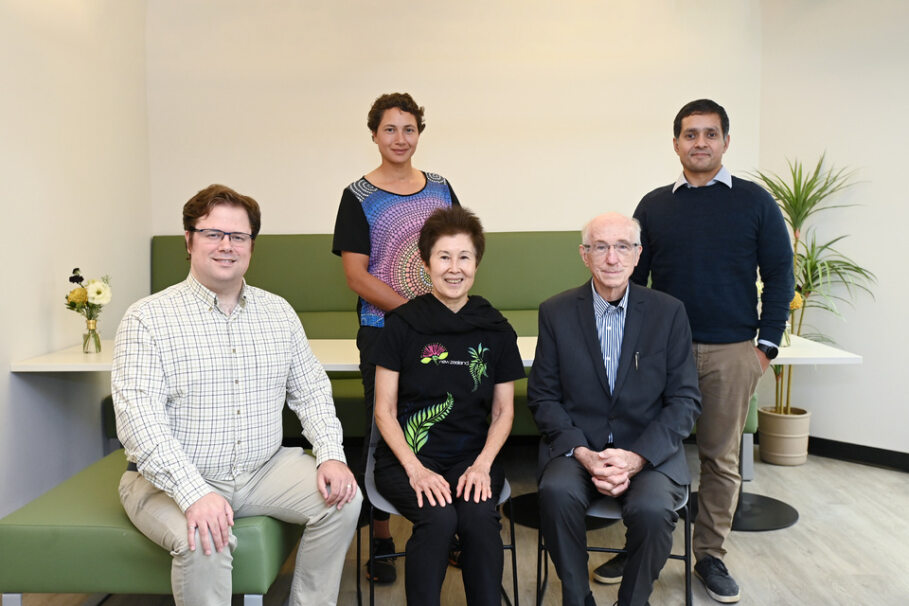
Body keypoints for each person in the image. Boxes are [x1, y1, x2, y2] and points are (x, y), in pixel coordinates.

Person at [113, 184, 361, 606]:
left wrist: (331, 454)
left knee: (344, 499)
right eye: (213, 234)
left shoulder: (278, 312)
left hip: (262, 471)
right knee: (203, 538)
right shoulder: (147, 318)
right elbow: (140, 422)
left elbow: (313, 390)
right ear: (189, 240)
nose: (226, 246)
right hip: (169, 481)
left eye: (238, 236)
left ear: (251, 245)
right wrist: (194, 493)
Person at [608, 99, 794, 603]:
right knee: (643, 448)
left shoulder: (755, 202)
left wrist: (766, 348)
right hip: (662, 354)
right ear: (676, 144)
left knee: (720, 457)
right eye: (690, 135)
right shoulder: (653, 205)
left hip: (733, 351)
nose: (700, 143)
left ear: (725, 142)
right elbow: (632, 279)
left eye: (710, 134)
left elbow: (780, 275)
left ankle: (709, 554)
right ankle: (642, 543)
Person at [528, 212, 701, 606]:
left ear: (637, 255)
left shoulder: (668, 312)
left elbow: (685, 400)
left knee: (655, 511)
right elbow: (543, 396)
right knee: (555, 493)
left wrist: (637, 457)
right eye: (600, 247)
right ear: (583, 255)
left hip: (647, 450)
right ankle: (577, 598)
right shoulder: (555, 312)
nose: (612, 258)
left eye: (622, 246)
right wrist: (585, 454)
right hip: (579, 448)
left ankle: (632, 601)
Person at [332, 92, 459, 583]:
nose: (400, 139)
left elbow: (458, 250)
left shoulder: (442, 188)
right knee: (383, 429)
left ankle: (449, 528)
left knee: (446, 425)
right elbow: (357, 277)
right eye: (390, 129)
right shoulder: (358, 195)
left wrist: (441, 314)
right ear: (374, 135)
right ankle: (381, 536)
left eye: (409, 129)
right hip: (384, 332)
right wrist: (416, 314)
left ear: (419, 134)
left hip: (444, 331)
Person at [372, 206, 524, 606]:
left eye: (464, 257)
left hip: (473, 456)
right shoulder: (401, 324)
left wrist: (483, 465)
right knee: (438, 519)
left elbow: (503, 412)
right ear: (426, 263)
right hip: (408, 456)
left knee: (477, 518)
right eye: (443, 257)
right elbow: (384, 411)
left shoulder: (496, 328)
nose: (454, 268)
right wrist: (416, 470)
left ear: (476, 263)